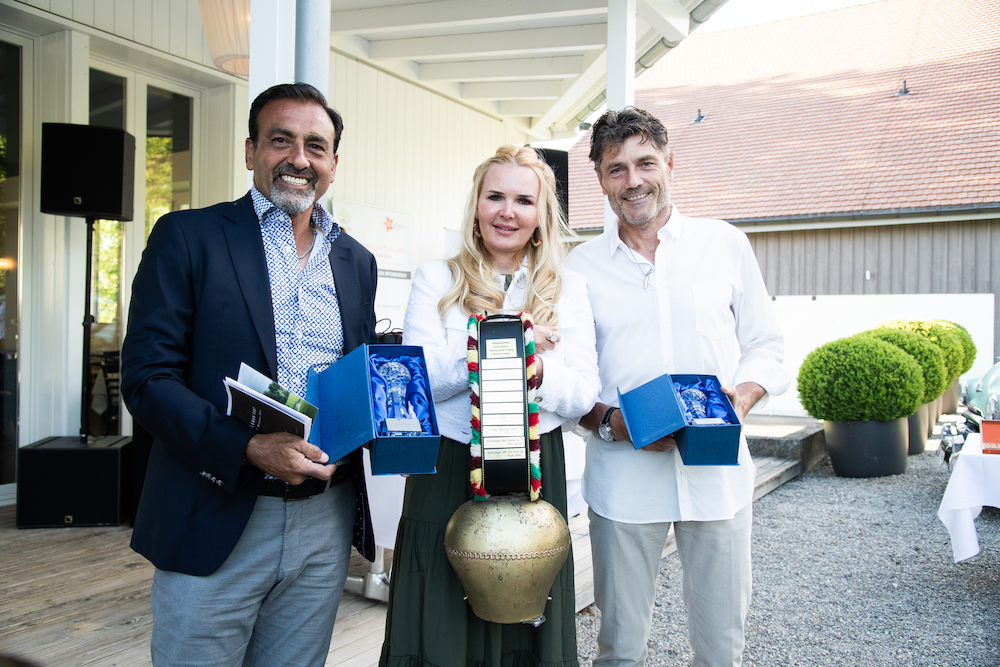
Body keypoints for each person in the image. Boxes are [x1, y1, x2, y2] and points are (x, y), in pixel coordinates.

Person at [121, 82, 377, 667]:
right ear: (250, 151)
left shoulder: (356, 260)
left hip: (325, 516)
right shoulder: (188, 237)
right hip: (214, 507)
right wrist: (249, 447)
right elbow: (147, 378)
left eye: (316, 146)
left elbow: (355, 377)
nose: (299, 158)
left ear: (333, 163)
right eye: (280, 140)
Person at [565, 107, 791, 667]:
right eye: (616, 169)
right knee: (620, 649)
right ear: (600, 179)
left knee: (721, 648)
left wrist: (742, 397)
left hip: (717, 478)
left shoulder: (725, 244)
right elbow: (569, 381)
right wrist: (612, 422)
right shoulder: (579, 267)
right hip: (623, 481)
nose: (633, 180)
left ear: (670, 163)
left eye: (645, 163)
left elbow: (766, 344)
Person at [379, 146, 600, 667]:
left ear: (541, 214)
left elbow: (584, 393)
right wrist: (507, 342)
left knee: (525, 595)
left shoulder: (569, 288)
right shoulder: (436, 278)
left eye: (524, 200)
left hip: (535, 465)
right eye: (495, 196)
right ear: (475, 206)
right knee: (440, 603)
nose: (507, 211)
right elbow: (418, 380)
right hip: (450, 461)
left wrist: (536, 370)